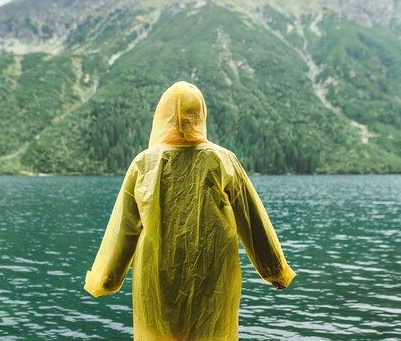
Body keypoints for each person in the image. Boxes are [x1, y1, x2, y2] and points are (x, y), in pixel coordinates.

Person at [84, 81, 296, 340]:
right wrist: (274, 270)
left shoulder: (144, 163)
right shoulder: (223, 160)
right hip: (212, 277)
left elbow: (124, 228)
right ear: (200, 115)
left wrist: (105, 279)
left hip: (157, 278)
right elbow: (252, 221)